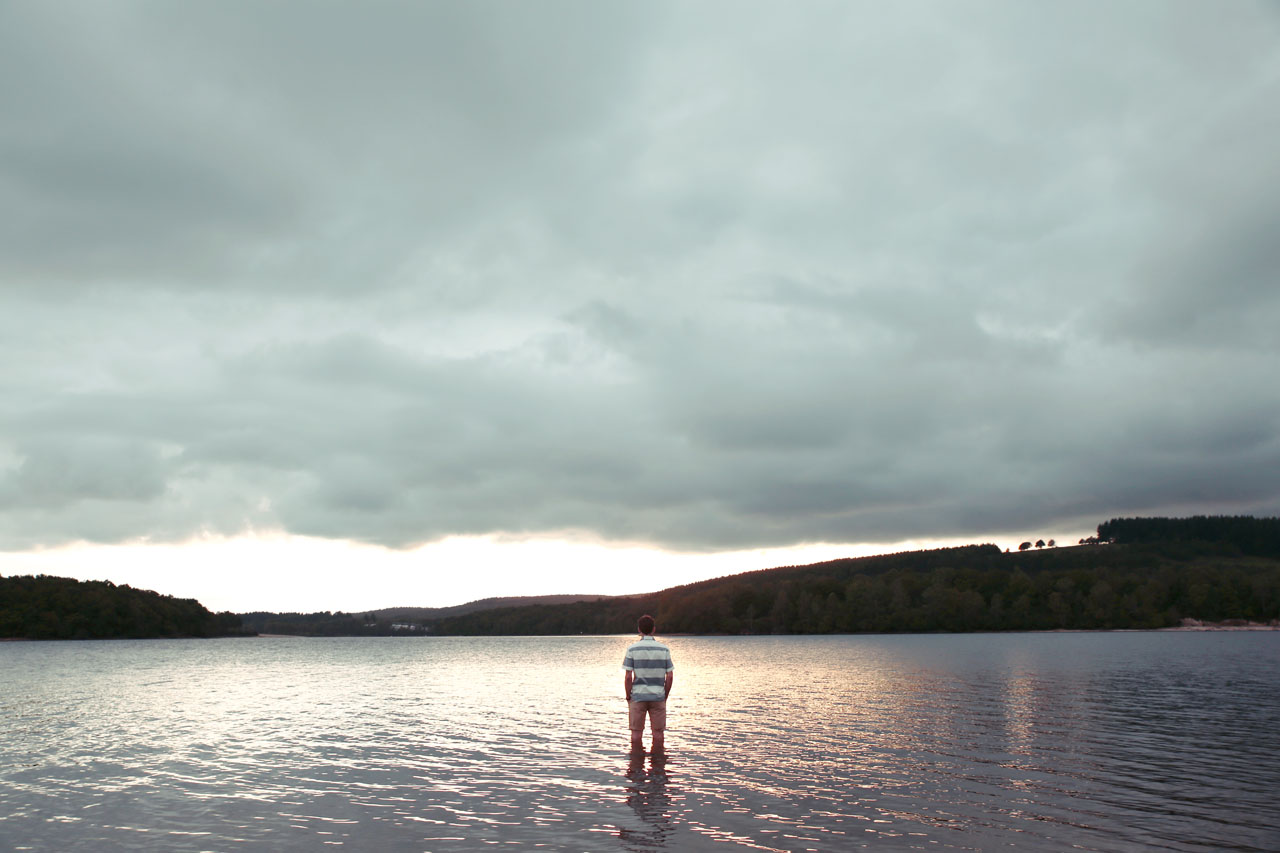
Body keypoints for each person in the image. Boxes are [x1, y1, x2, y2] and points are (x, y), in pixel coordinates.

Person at [622, 614, 674, 753]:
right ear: (654, 629)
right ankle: (658, 767)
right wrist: (665, 695)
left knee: (636, 734)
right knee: (658, 734)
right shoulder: (664, 650)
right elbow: (669, 676)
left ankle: (636, 765)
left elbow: (628, 677)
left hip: (638, 697)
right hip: (658, 697)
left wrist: (628, 696)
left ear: (639, 630)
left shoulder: (632, 649)